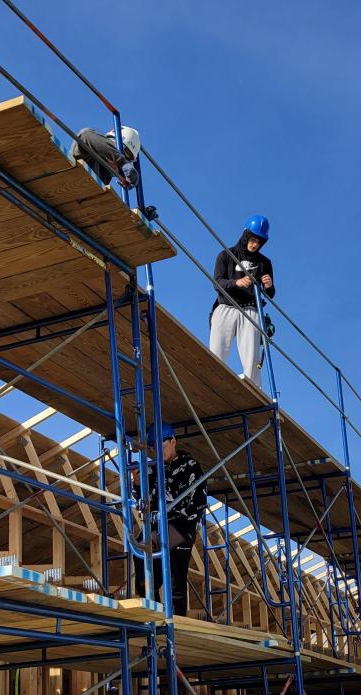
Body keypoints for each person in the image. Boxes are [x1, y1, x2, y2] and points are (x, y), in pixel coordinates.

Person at [132, 423, 206, 617]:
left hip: (182, 525)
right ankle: (153, 611)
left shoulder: (190, 466)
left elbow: (198, 501)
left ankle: (176, 623)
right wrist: (138, 485)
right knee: (139, 551)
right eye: (154, 448)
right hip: (157, 526)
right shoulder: (151, 470)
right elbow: (141, 501)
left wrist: (185, 523)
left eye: (162, 446)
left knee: (175, 577)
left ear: (173, 442)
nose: (158, 451)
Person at [208, 215, 276, 389]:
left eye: (259, 242)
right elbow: (217, 282)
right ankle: (211, 385)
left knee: (252, 357)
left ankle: (254, 392)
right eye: (253, 239)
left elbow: (270, 294)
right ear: (246, 235)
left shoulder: (264, 263)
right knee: (217, 351)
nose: (254, 244)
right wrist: (236, 283)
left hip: (250, 310)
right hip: (226, 307)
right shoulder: (226, 255)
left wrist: (268, 286)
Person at [70, 125, 141, 188]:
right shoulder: (88, 153)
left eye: (127, 158)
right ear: (109, 143)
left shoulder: (104, 177)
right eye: (122, 152)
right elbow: (85, 134)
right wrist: (122, 162)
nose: (123, 156)